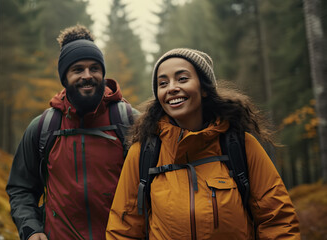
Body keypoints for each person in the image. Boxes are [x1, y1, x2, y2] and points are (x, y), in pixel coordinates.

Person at [106, 48, 300, 239]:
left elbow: (277, 220)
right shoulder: (144, 152)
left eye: (182, 79)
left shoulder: (239, 145)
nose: (172, 88)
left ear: (204, 89)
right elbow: (123, 229)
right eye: (163, 83)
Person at [6, 25, 137, 240]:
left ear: (103, 73)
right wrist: (31, 229)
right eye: (78, 69)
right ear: (64, 78)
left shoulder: (129, 122)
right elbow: (21, 189)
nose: (88, 75)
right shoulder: (43, 128)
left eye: (95, 68)